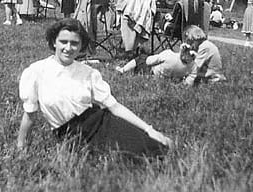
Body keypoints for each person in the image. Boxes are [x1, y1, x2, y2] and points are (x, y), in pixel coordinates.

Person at [17, 19, 173, 156]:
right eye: (63, 42)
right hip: (71, 133)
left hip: (100, 122)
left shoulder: (88, 72)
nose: (68, 48)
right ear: (53, 42)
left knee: (155, 148)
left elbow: (114, 106)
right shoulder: (37, 72)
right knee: (125, 160)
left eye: (74, 43)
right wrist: (21, 146)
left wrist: (149, 129)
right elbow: (30, 114)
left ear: (81, 47)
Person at [116, 43, 195, 79]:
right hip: (172, 79)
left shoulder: (168, 54)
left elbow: (148, 61)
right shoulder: (191, 66)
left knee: (141, 58)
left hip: (153, 74)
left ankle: (123, 70)